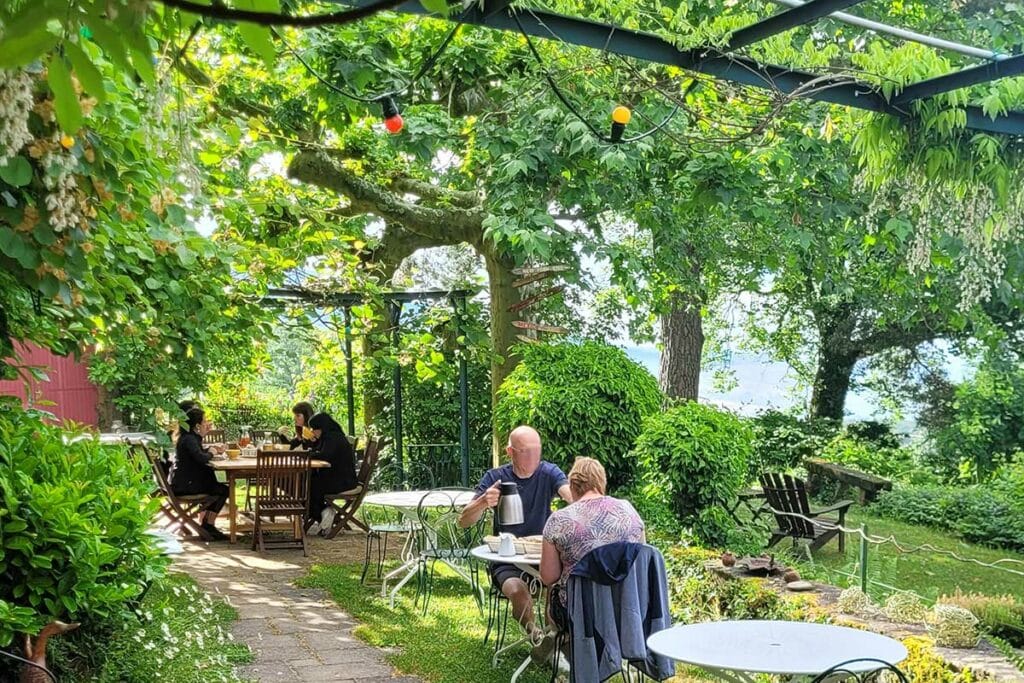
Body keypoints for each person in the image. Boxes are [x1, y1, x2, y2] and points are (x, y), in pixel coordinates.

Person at [458, 425, 572, 646]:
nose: (533, 457)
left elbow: (570, 496)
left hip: (542, 557)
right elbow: (463, 521)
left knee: (556, 590)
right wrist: (483, 501)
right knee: (518, 592)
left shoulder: (548, 472)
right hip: (507, 559)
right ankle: (534, 634)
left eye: (537, 450)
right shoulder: (496, 477)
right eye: (525, 451)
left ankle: (554, 641)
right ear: (510, 452)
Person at [540, 457, 645, 632]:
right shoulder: (629, 510)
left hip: (579, 613)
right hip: (628, 608)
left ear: (572, 486)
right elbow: (641, 559)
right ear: (601, 483)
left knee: (553, 589)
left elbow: (549, 576)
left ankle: (566, 649)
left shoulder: (559, 520)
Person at [169, 407, 229, 541]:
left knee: (217, 486)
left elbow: (197, 453)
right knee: (223, 490)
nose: (207, 423)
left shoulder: (188, 437)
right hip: (186, 486)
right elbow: (201, 458)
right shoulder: (190, 439)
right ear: (197, 425)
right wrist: (212, 452)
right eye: (205, 421)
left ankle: (207, 523)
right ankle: (208, 524)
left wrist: (209, 449)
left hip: (182, 482)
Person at [305, 412, 359, 536]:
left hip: (342, 482)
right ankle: (323, 513)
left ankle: (322, 513)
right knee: (307, 484)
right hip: (339, 478)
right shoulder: (332, 436)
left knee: (307, 488)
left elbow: (324, 455)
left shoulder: (332, 438)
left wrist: (306, 455)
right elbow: (319, 451)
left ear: (321, 427)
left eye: (314, 429)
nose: (313, 432)